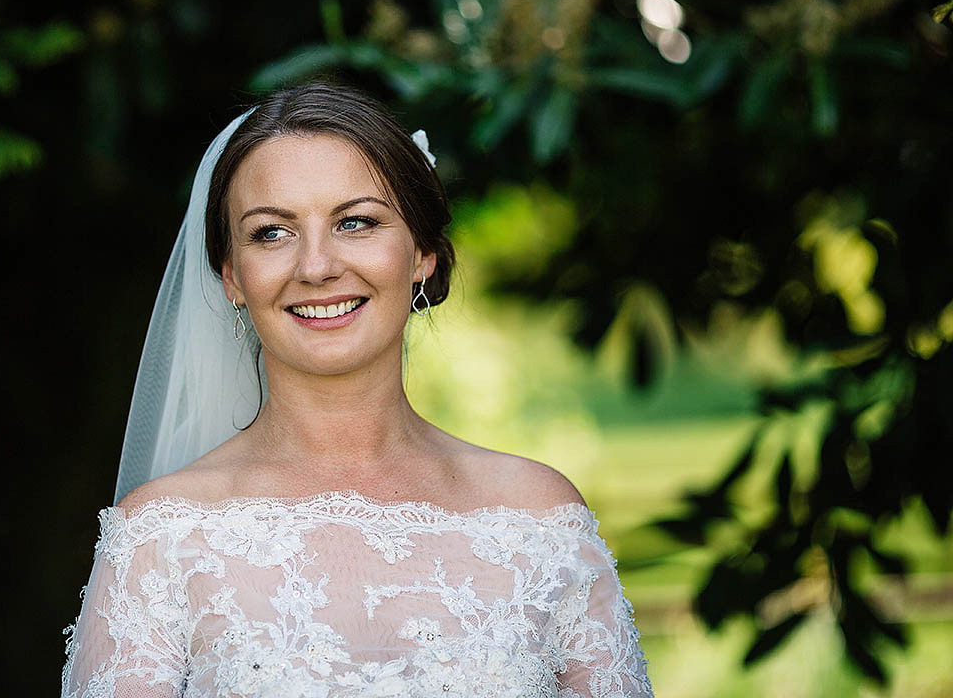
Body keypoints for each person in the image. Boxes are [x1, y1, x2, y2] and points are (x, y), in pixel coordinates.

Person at [60, 83, 654, 698]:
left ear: (422, 253)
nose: (316, 266)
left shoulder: (538, 519)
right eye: (271, 232)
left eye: (356, 222)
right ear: (232, 275)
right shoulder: (164, 538)